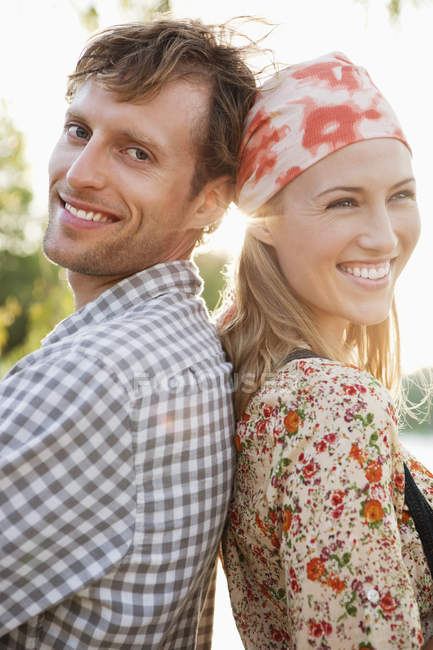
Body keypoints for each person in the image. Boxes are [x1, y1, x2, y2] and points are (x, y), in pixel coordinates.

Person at [0, 18, 257, 648]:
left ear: (209, 203)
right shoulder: (185, 348)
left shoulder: (95, 376)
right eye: (79, 131)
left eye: (135, 152)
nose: (79, 174)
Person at [219, 52, 433, 649]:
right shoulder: (332, 405)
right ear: (262, 220)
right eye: (344, 201)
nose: (385, 236)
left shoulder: (258, 378)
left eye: (400, 195)